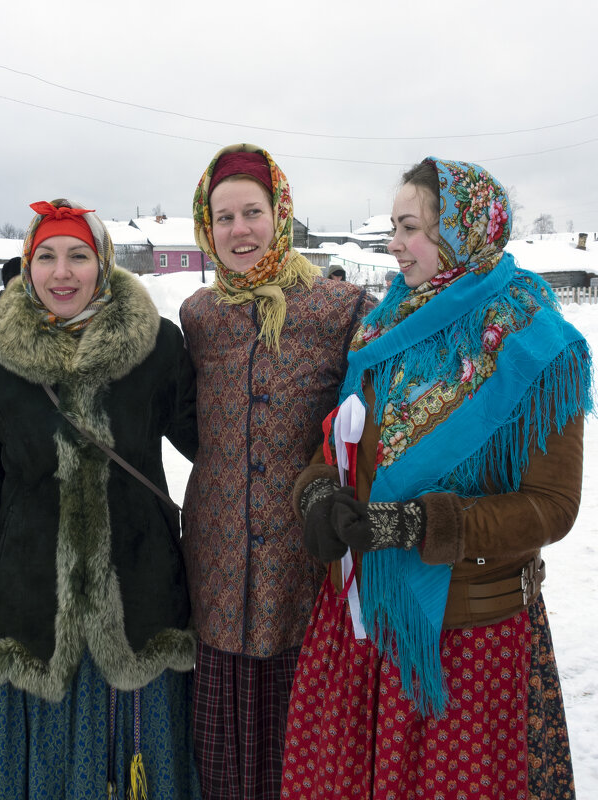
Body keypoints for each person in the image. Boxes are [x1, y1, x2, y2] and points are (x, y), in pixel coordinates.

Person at [282, 157, 591, 798]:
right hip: (364, 624)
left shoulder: (534, 344)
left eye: (409, 226)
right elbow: (338, 443)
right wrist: (317, 495)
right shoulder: (384, 327)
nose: (393, 244)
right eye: (394, 226)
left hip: (465, 639)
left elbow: (552, 506)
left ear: (461, 229)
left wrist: (423, 522)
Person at [0, 199, 201, 798]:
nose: (61, 272)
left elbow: (210, 441)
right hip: (35, 599)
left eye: (78, 256)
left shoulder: (156, 346)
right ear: (27, 263)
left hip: (140, 591)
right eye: (46, 256)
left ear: (104, 263)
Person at [179, 143, 368, 800]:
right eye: (223, 216)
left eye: (251, 212)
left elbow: (366, 426)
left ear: (280, 212)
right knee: (224, 753)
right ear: (207, 226)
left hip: (302, 556)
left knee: (302, 738)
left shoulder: (339, 309)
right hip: (217, 553)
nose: (239, 230)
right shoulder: (199, 316)